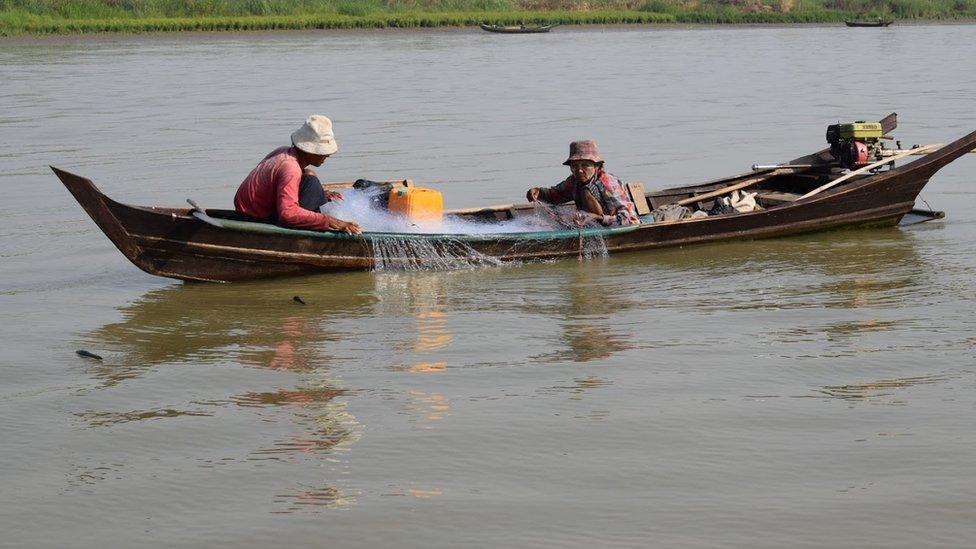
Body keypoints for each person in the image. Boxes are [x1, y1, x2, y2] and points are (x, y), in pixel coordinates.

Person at [234, 115, 361, 234]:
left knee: (310, 177)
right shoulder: (291, 169)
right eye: (323, 153)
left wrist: (322, 194)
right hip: (257, 219)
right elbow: (287, 213)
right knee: (312, 183)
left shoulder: (282, 151)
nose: (327, 155)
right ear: (310, 151)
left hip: (247, 211)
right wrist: (332, 221)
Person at [526, 140, 639, 227]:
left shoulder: (608, 183)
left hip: (611, 225)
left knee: (586, 191)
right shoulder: (574, 180)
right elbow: (554, 195)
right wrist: (537, 192)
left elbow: (630, 220)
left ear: (597, 166)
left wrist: (597, 218)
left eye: (585, 165)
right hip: (589, 225)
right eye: (574, 166)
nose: (579, 170)